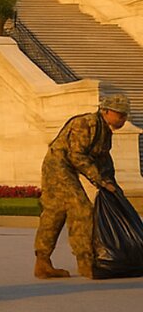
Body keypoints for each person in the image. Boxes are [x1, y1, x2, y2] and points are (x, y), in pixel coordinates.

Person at [34, 93, 130, 280]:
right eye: (120, 115)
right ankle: (86, 263)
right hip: (58, 167)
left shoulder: (104, 131)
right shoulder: (86, 124)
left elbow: (104, 161)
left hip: (68, 168)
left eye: (125, 115)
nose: (124, 119)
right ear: (106, 111)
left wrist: (112, 184)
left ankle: (42, 263)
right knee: (82, 209)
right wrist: (100, 181)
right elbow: (76, 156)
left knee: (55, 212)